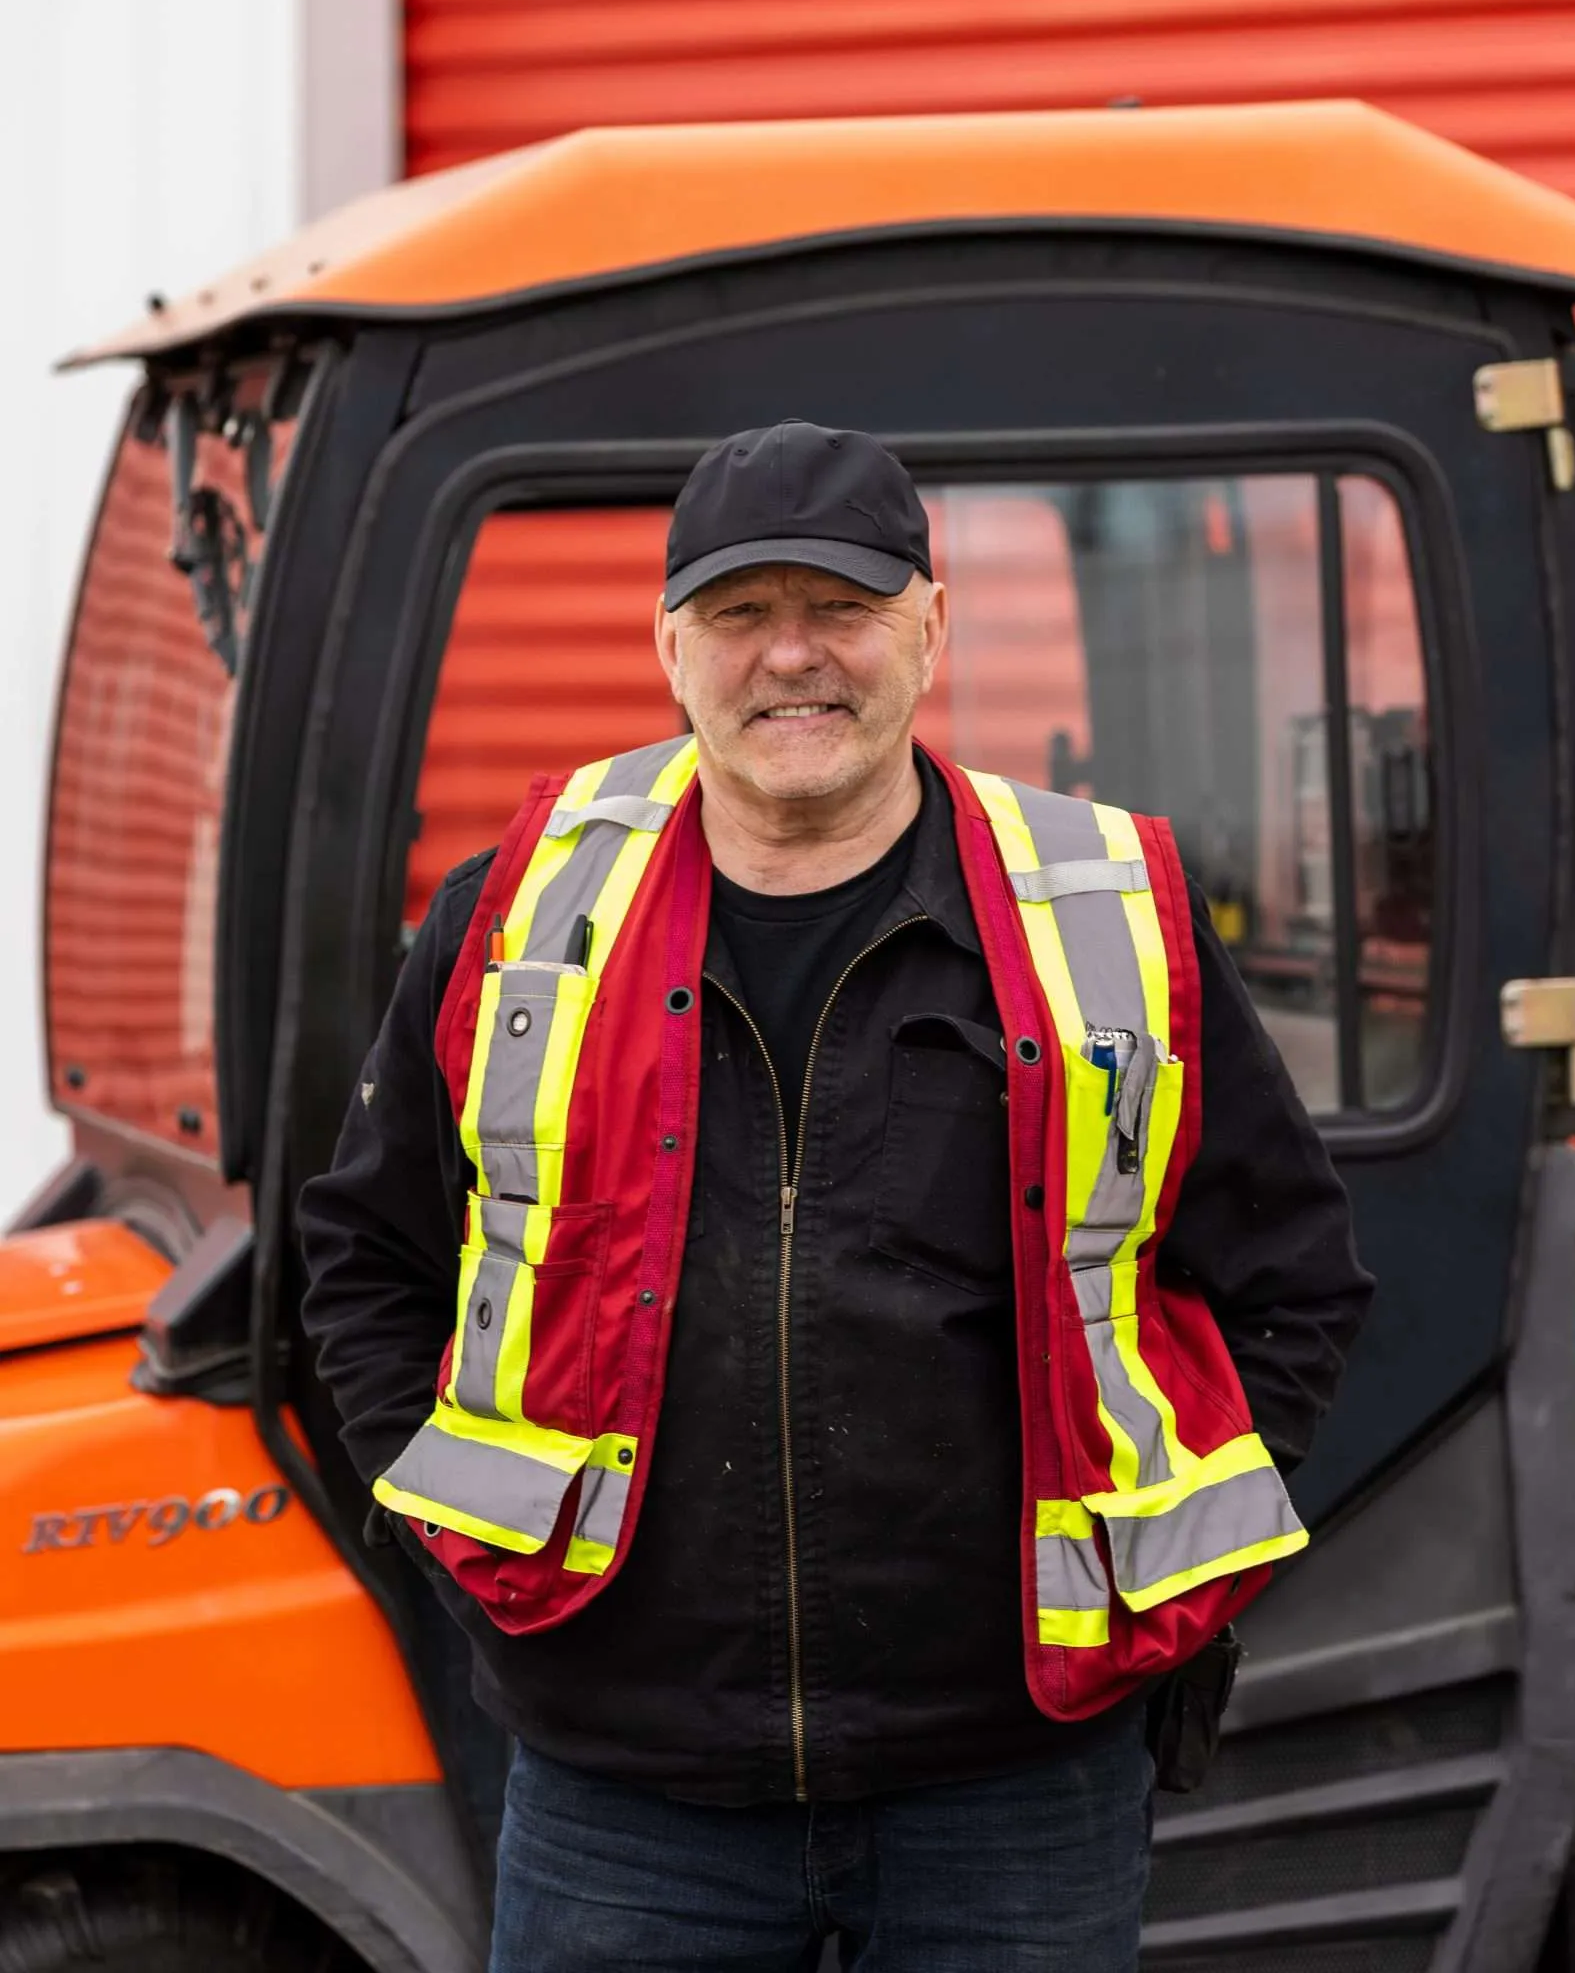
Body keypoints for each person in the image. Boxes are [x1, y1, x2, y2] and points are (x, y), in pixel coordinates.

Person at [300, 420, 1372, 1972]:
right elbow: (367, 1257)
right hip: (628, 1799)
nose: (791, 656)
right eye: (741, 614)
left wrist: (1167, 1600)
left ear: (930, 626)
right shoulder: (522, 917)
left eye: (844, 607)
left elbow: (1293, 1282)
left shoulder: (1108, 915)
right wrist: (473, 1567)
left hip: (1015, 1791)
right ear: (670, 648)